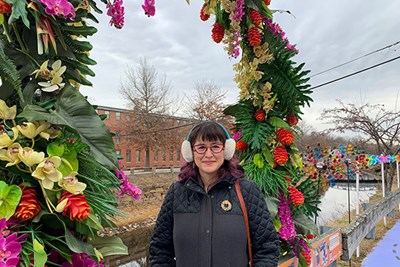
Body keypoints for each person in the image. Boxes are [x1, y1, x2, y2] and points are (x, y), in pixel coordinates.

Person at [149, 121, 279, 267]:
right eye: (201, 147)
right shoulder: (176, 192)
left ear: (226, 150)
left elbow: (267, 248)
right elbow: (160, 250)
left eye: (216, 147)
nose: (208, 154)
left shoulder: (246, 191)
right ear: (190, 152)